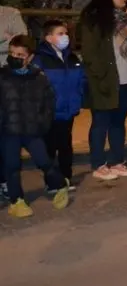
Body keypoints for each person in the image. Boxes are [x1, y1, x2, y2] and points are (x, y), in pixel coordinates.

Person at [2, 35, 69, 217]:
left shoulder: (39, 78)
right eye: (12, 53)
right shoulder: (2, 76)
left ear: (30, 57)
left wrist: (42, 124)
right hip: (8, 131)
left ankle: (60, 185)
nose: (14, 57)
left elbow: (48, 104)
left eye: (20, 55)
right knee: (12, 166)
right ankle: (16, 200)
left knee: (44, 161)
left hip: (32, 130)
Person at [80, 0, 127, 181]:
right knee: (100, 122)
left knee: (118, 122)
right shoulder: (95, 18)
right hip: (106, 78)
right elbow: (89, 51)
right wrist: (100, 74)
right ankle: (98, 163)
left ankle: (117, 161)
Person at [33, 19, 85, 191]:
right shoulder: (40, 60)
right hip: (51, 112)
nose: (65, 37)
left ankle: (66, 178)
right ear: (49, 37)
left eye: (66, 33)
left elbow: (81, 80)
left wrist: (79, 98)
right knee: (50, 147)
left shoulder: (71, 57)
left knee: (65, 146)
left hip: (68, 111)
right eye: (60, 33)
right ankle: (52, 182)